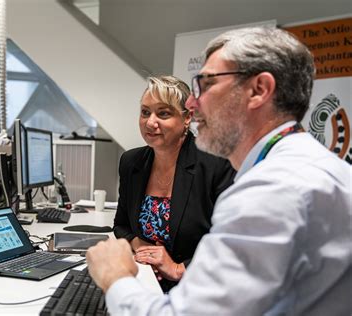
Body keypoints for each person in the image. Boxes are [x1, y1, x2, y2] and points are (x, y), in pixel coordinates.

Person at [86, 26, 352, 315]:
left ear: (258, 90)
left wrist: (115, 278)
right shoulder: (307, 167)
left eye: (206, 84)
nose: (191, 102)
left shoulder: (272, 191)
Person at [113, 75, 235, 291]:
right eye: (145, 112)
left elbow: (230, 242)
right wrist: (142, 248)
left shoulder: (216, 163)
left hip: (199, 288)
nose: (151, 122)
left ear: (187, 118)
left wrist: (178, 269)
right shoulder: (132, 162)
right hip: (146, 281)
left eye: (163, 113)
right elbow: (121, 226)